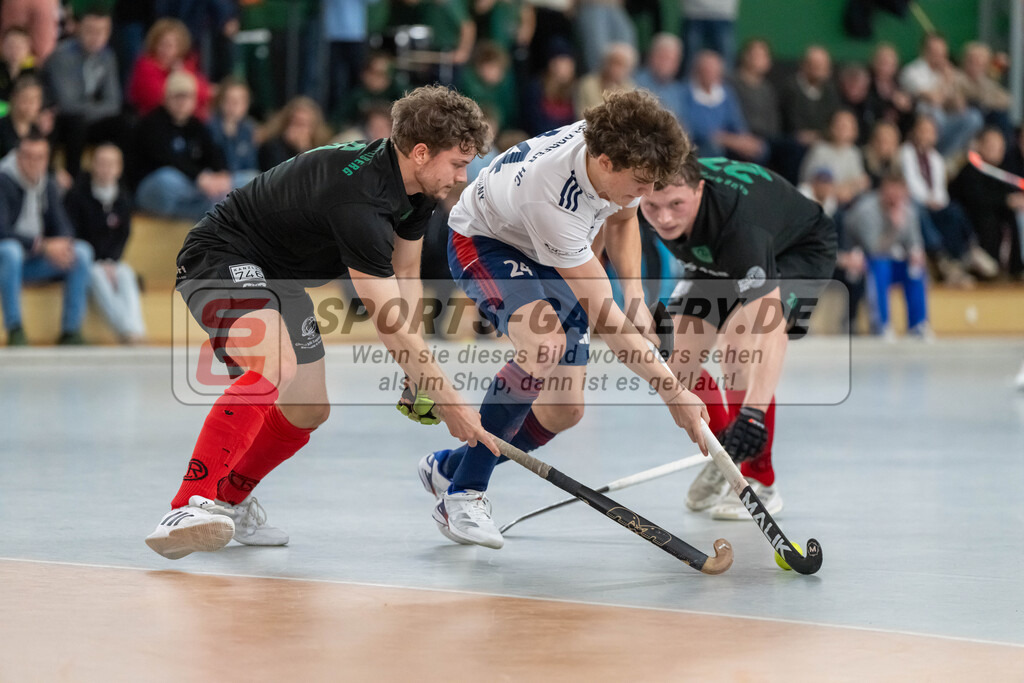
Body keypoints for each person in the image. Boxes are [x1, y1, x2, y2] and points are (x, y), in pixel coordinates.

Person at [144, 85, 496, 560]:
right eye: (457, 163)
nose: (462, 176)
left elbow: (407, 271)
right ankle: (187, 505)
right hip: (221, 256)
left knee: (309, 406)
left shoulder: (416, 189)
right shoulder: (360, 197)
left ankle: (229, 498)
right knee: (274, 365)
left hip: (281, 278)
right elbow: (387, 319)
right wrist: (451, 402)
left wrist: (418, 376)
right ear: (420, 152)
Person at [416, 90, 710, 550]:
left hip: (552, 249)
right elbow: (606, 319)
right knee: (543, 345)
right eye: (641, 183)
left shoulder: (621, 152)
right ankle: (462, 495)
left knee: (564, 410)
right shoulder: (552, 197)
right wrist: (672, 390)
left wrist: (635, 296)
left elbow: (622, 221)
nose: (646, 194)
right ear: (606, 163)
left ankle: (449, 466)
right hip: (487, 241)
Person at [637, 152, 837, 519]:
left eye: (676, 205)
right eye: (652, 206)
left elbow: (770, 334)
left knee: (739, 347)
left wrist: (753, 416)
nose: (664, 218)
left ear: (699, 190)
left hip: (795, 250)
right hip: (715, 256)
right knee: (676, 365)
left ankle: (760, 478)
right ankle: (727, 453)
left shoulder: (742, 227)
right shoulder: (639, 189)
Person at [0, 130, 93, 346]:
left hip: (31, 262)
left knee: (81, 252)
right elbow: (1, 230)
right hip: (7, 261)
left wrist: (62, 244)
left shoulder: (48, 184)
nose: (34, 163)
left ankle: (71, 331)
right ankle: (15, 329)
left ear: (47, 159)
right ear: (18, 157)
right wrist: (41, 245)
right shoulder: (3, 182)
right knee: (11, 251)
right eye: (28, 157)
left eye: (40, 157)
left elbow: (63, 225)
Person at [64, 143, 145, 343]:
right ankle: (126, 330)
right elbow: (74, 232)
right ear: (92, 165)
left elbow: (123, 235)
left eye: (111, 164)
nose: (106, 168)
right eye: (101, 163)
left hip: (112, 259)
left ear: (119, 168)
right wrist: (100, 261)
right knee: (96, 275)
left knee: (125, 273)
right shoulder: (77, 195)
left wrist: (111, 260)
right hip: (87, 260)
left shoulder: (123, 198)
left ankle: (137, 328)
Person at [131, 70, 231, 221]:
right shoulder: (151, 124)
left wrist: (221, 173)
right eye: (177, 96)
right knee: (168, 179)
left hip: (188, 192)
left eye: (187, 97)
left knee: (247, 181)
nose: (182, 102)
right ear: (166, 98)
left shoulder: (196, 125)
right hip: (155, 189)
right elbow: (167, 158)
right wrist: (200, 178)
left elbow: (213, 152)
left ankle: (207, 215)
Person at [843, 170, 930, 340]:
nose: (895, 197)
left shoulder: (908, 210)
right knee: (880, 264)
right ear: (883, 190)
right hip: (859, 264)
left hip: (891, 261)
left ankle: (918, 324)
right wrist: (894, 227)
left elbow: (914, 242)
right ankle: (881, 324)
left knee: (916, 268)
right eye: (891, 191)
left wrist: (917, 254)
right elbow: (874, 249)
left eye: (899, 192)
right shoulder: (866, 210)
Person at [41, 9, 124, 178]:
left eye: (101, 32)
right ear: (79, 30)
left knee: (125, 124)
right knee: (76, 122)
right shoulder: (62, 56)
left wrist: (92, 111)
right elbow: (67, 104)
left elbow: (114, 102)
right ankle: (73, 178)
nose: (96, 37)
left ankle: (120, 181)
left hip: (90, 118)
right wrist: (96, 108)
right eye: (90, 31)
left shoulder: (107, 57)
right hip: (62, 120)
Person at [127, 17, 212, 120]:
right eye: (162, 44)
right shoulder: (144, 67)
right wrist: (178, 79)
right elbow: (157, 97)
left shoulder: (186, 67)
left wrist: (180, 74)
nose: (165, 50)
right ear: (154, 45)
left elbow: (204, 93)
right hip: (153, 121)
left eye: (170, 45)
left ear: (180, 48)